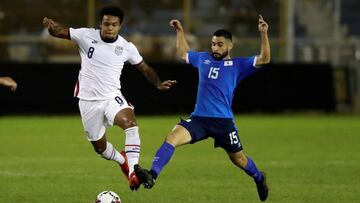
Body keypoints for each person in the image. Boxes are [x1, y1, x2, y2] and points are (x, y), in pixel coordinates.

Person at [135, 15, 270, 201]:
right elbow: (183, 53)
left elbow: (264, 58)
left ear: (230, 45)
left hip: (223, 122)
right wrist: (180, 31)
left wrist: (263, 33)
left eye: (220, 44)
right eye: (213, 44)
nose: (215, 48)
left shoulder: (238, 65)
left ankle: (259, 177)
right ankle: (152, 175)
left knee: (238, 159)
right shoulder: (203, 59)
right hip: (199, 119)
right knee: (171, 138)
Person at [42, 5, 177, 191]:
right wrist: (52, 27)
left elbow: (144, 68)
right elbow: (60, 32)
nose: (110, 28)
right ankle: (122, 161)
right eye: (106, 24)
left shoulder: (126, 47)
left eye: (114, 24)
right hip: (87, 101)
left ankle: (133, 170)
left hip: (112, 98)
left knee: (131, 124)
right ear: (100, 24)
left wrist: (158, 83)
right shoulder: (86, 35)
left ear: (120, 26)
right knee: (100, 148)